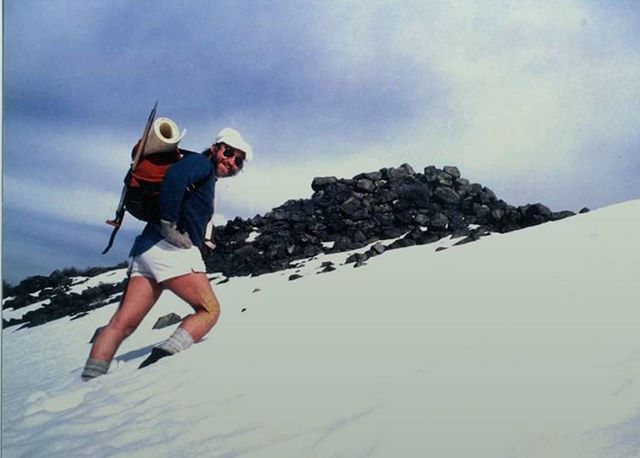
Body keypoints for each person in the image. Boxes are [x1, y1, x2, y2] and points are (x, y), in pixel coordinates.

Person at [81, 127, 253, 380]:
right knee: (209, 311)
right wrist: (169, 224)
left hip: (146, 250)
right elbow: (174, 176)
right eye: (228, 152)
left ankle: (89, 378)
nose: (231, 161)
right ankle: (161, 362)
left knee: (122, 324)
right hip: (171, 249)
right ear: (216, 147)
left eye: (238, 160)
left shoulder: (203, 174)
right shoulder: (200, 164)